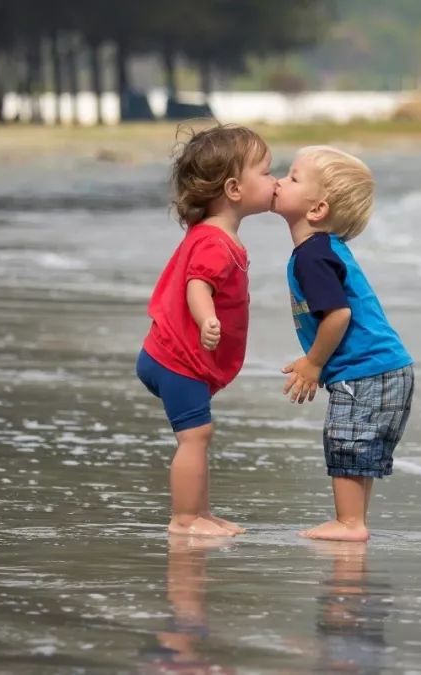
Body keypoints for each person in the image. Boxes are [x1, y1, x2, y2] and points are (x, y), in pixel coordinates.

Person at [137, 123, 276, 537]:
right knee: (195, 435)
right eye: (267, 173)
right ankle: (185, 519)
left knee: (199, 434)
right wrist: (206, 319)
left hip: (173, 354)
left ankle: (201, 512)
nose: (274, 181)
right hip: (177, 358)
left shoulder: (217, 235)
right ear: (234, 189)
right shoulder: (215, 242)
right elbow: (198, 284)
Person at [273, 145, 414, 542]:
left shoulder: (312, 255)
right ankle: (354, 521)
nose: (281, 181)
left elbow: (338, 315)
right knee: (357, 443)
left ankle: (350, 523)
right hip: (384, 368)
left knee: (346, 439)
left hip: (367, 369)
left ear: (316, 209)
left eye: (293, 178)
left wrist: (313, 364)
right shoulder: (320, 250)